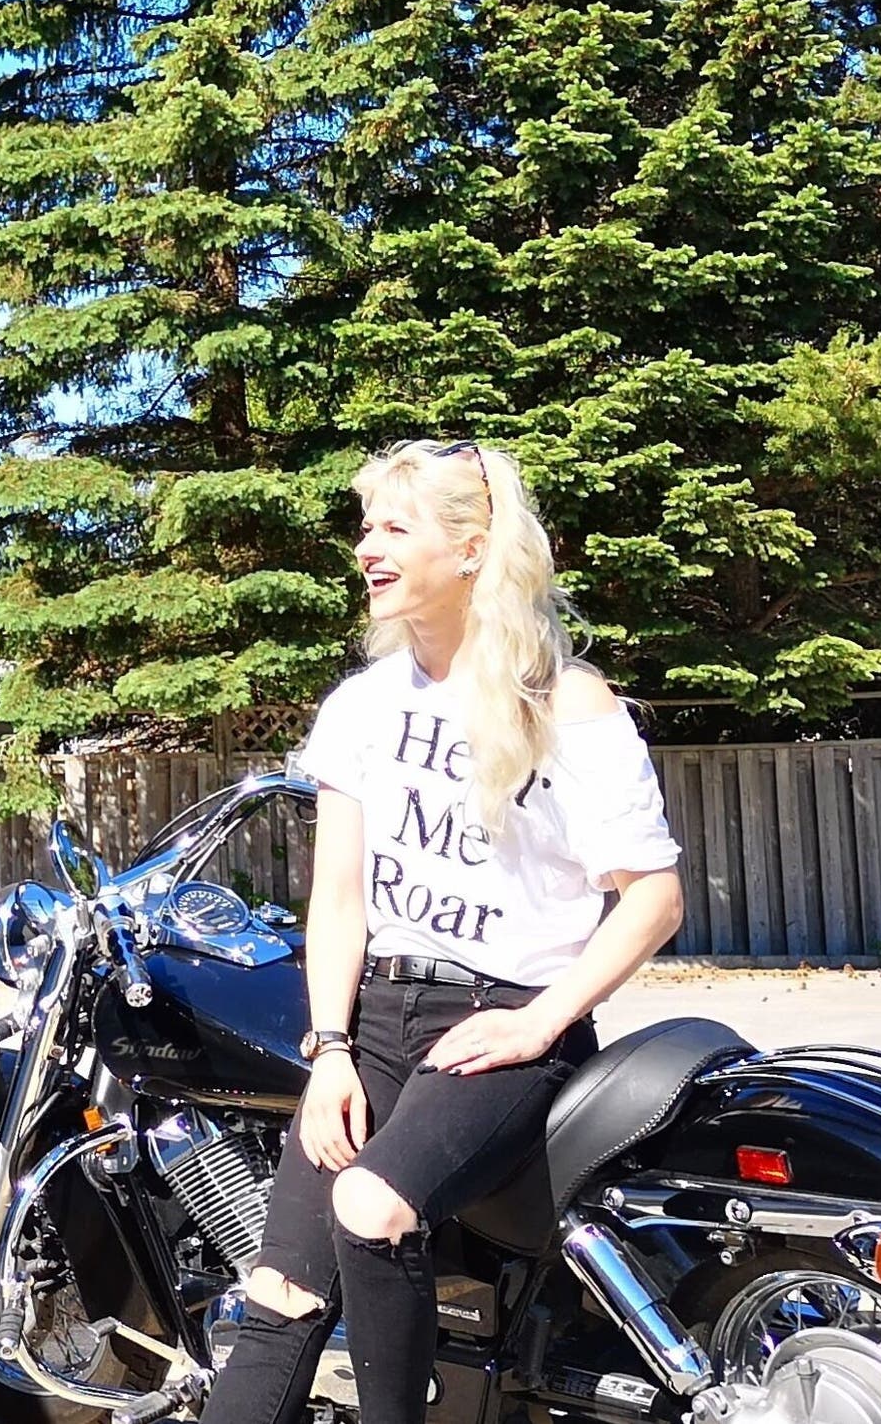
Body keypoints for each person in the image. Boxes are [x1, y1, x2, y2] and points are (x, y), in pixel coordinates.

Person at [200, 440, 686, 1424]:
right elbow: (339, 897)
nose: (366, 548)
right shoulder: (361, 707)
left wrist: (540, 1021)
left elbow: (654, 896)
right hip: (376, 1017)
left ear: (470, 549)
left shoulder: (564, 699)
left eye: (395, 526)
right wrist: (330, 1048)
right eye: (365, 526)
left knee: (371, 1204)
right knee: (278, 1293)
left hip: (503, 1022)